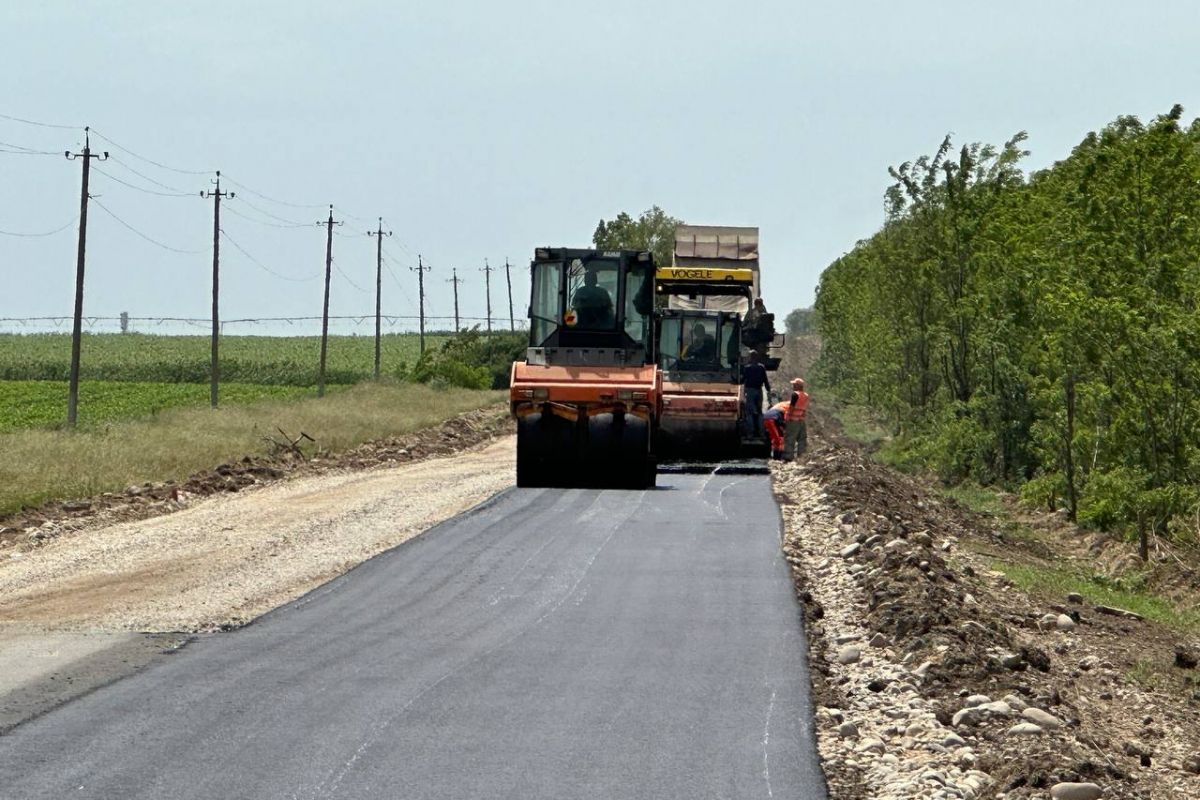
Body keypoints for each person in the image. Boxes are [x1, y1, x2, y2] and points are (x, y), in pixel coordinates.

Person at [741, 349, 770, 437]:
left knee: (749, 412)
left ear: (750, 357)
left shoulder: (747, 368)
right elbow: (765, 380)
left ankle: (750, 433)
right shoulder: (761, 367)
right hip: (759, 391)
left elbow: (743, 380)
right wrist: (768, 389)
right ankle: (761, 433)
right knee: (759, 411)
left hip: (750, 391)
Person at [782, 377, 809, 460]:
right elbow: (804, 408)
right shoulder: (806, 395)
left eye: (794, 384)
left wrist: (787, 418)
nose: (793, 386)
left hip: (792, 420)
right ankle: (801, 457)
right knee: (802, 439)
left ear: (798, 386)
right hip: (801, 420)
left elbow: (792, 407)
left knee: (790, 438)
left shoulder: (795, 394)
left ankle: (788, 457)